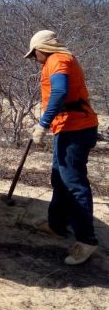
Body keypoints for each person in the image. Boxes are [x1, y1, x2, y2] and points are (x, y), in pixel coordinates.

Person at [25, 30, 99, 265]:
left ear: (41, 48)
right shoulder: (58, 60)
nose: (34, 58)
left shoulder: (58, 60)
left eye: (34, 53)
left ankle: (86, 241)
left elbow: (59, 91)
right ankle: (56, 225)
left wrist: (42, 124)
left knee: (74, 184)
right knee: (59, 177)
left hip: (76, 130)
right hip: (67, 128)